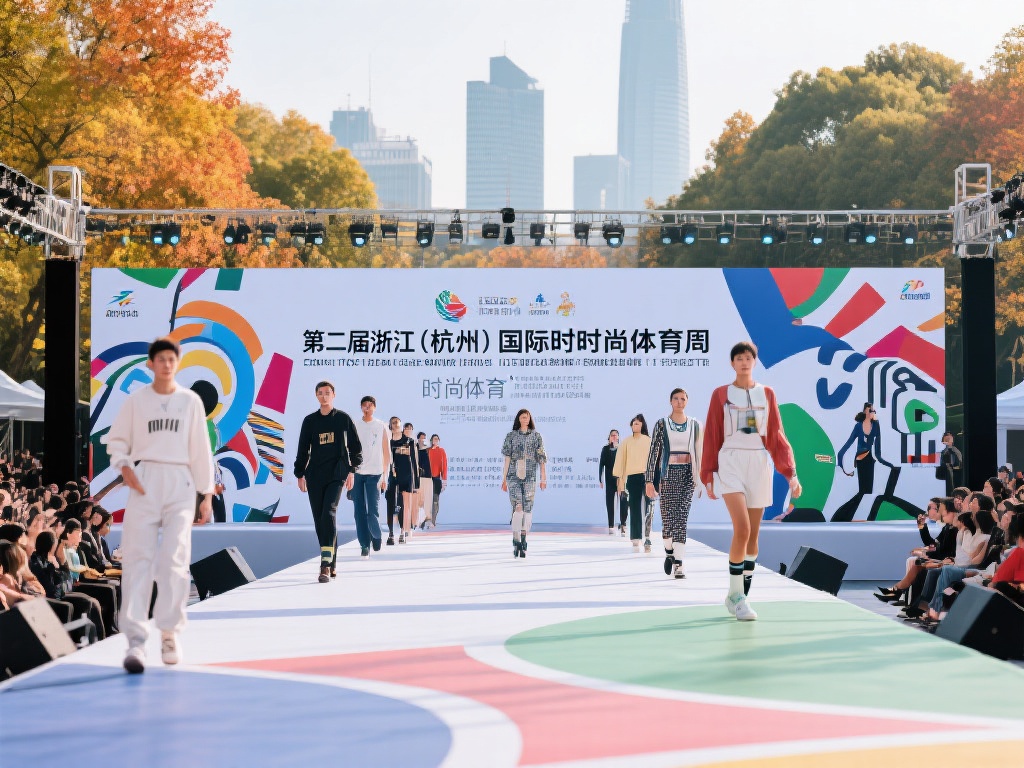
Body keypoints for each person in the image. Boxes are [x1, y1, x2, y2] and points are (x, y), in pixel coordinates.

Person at [103, 336, 215, 673]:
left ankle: (169, 634)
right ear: (151, 364)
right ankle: (136, 642)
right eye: (161, 359)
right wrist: (125, 468)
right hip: (146, 477)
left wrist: (206, 494)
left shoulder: (190, 402)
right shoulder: (137, 401)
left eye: (172, 359)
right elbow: (117, 440)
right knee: (138, 559)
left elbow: (201, 450)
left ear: (177, 363)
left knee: (175, 559)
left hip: (181, 480)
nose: (166, 364)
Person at [702, 341, 800, 621]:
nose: (744, 362)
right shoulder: (720, 394)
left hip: (758, 462)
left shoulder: (766, 394)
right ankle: (737, 598)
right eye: (739, 358)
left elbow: (776, 435)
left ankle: (739, 595)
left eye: (748, 358)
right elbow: (712, 433)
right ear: (732, 363)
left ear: (754, 362)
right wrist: (708, 474)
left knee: (753, 537)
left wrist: (791, 474)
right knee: (742, 529)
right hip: (730, 461)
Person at [294, 381, 362, 582]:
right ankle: (332, 563)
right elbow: (302, 449)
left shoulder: (343, 419)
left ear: (334, 395)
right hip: (315, 475)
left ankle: (324, 564)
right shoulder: (310, 421)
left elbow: (356, 449)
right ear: (316, 396)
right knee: (320, 520)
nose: (324, 396)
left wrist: (352, 471)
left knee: (329, 513)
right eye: (320, 393)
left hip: (337, 474)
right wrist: (300, 474)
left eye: (327, 393)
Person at [647, 389, 704, 577]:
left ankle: (679, 563)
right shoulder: (662, 424)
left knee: (681, 518)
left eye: (683, 399)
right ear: (670, 401)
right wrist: (649, 480)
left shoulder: (695, 425)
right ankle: (669, 552)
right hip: (668, 474)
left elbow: (701, 453)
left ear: (687, 401)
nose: (679, 402)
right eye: (676, 398)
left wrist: (701, 480)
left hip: (688, 474)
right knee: (668, 519)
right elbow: (653, 453)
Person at [833, 403, 896, 522]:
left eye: (874, 411)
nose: (873, 412)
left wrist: (887, 464)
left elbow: (878, 450)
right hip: (860, 459)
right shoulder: (858, 426)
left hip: (870, 459)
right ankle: (843, 515)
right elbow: (848, 443)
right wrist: (840, 460)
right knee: (863, 491)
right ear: (866, 411)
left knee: (868, 492)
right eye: (871, 410)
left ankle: (849, 515)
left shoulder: (876, 425)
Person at [501, 409, 547, 558]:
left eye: (527, 417)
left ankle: (523, 538)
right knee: (518, 507)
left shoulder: (536, 436)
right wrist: (504, 478)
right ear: (518, 419)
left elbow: (542, 459)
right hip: (513, 475)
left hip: (530, 476)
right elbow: (507, 458)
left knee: (527, 509)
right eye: (522, 417)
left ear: (530, 419)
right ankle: (516, 539)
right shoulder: (511, 436)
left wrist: (543, 479)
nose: (524, 419)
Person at [351, 396, 391, 559]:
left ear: (374, 407)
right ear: (361, 407)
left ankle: (376, 535)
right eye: (364, 405)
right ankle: (364, 545)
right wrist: (349, 473)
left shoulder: (381, 426)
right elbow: (349, 449)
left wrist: (385, 477)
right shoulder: (354, 425)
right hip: (358, 473)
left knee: (372, 511)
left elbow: (387, 453)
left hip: (375, 474)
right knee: (359, 512)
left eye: (370, 405)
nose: (367, 408)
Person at [614, 415, 652, 554]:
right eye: (633, 423)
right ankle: (636, 537)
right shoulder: (626, 442)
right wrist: (620, 481)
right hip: (632, 477)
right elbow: (620, 461)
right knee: (634, 508)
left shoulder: (649, 441)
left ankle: (647, 538)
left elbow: (654, 461)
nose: (635, 425)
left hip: (647, 477)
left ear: (642, 425)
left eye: (638, 423)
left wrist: (655, 479)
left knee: (649, 509)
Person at [390, 422, 418, 544]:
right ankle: (394, 532)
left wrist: (416, 482)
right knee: (396, 504)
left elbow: (414, 461)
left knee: (406, 504)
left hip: (407, 475)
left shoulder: (410, 441)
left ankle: (404, 531)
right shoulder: (390, 441)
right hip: (394, 476)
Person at [599, 430, 626, 535]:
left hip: (621, 479)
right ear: (609, 437)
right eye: (612, 435)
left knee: (623, 502)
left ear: (618, 437)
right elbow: (601, 464)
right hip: (609, 479)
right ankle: (611, 525)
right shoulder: (605, 449)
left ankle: (623, 524)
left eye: (615, 435)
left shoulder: (622, 448)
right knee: (610, 503)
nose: (614, 437)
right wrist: (600, 479)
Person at [384, 417, 404, 545]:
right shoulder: (386, 440)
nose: (395, 424)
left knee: (402, 504)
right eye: (393, 423)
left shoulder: (406, 440)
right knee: (390, 504)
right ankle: (391, 533)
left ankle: (402, 532)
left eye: (397, 422)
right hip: (389, 476)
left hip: (403, 476)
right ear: (390, 425)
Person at [427, 434, 448, 527]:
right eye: (434, 439)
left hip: (436, 478)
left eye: (437, 439)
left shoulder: (441, 451)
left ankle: (433, 520)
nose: (435, 440)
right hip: (427, 479)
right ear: (431, 440)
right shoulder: (427, 450)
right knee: (427, 500)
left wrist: (444, 480)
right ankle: (426, 520)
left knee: (435, 500)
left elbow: (444, 466)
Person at [415, 432, 432, 530]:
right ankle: (417, 520)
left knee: (427, 499)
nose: (423, 440)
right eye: (421, 438)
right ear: (418, 439)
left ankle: (426, 519)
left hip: (427, 476)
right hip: (418, 477)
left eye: (424, 438)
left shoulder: (428, 450)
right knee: (419, 499)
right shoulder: (415, 448)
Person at [938, 432, 962, 496]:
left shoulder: (955, 451)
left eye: (948, 439)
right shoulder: (942, 451)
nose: (946, 442)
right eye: (945, 440)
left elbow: (959, 463)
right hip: (943, 476)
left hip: (953, 476)